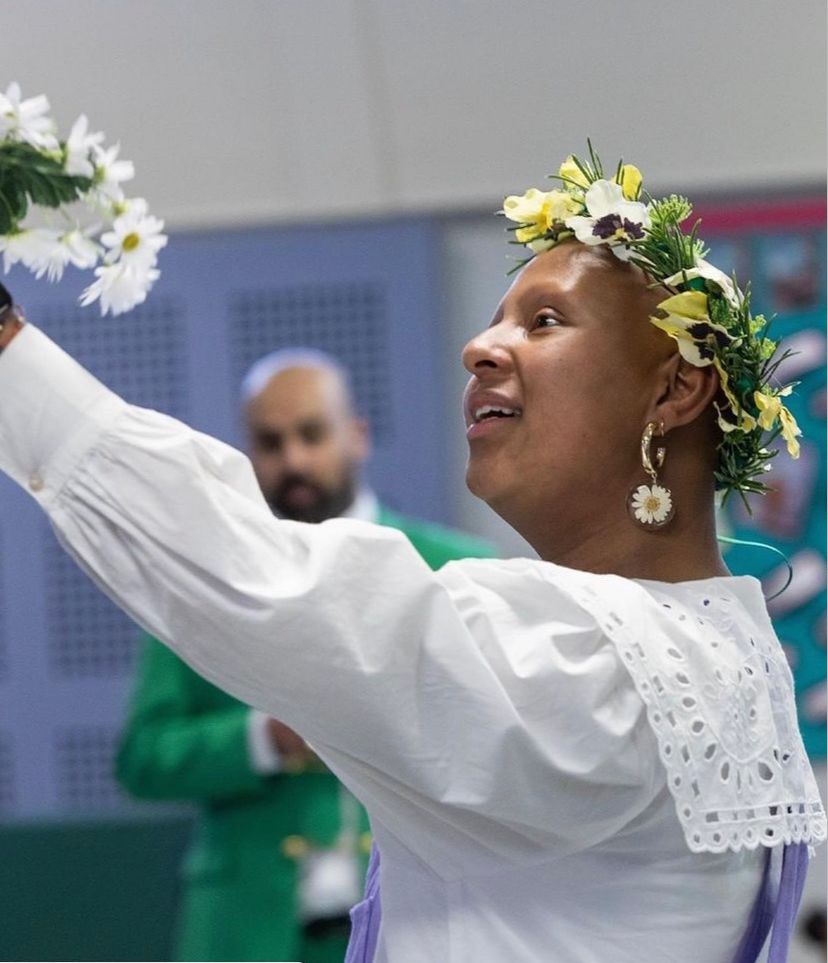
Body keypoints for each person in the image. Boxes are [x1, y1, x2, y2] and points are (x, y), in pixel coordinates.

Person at [0, 146, 824, 963]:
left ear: (676, 390)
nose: (480, 347)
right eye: (497, 317)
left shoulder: (596, 663)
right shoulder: (719, 645)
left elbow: (264, 583)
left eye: (543, 320)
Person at [114, 348, 494, 962]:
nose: (293, 459)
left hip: (421, 918)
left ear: (357, 436)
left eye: (311, 434)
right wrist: (269, 736)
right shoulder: (200, 582)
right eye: (270, 441)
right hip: (246, 929)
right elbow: (142, 757)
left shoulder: (458, 568)